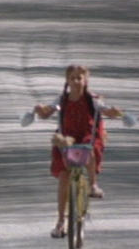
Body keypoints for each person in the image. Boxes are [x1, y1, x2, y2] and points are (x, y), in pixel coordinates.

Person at [32, 65, 125, 239]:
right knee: (64, 176)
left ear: (85, 80)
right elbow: (46, 113)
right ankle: (61, 221)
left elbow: (106, 111)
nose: (76, 81)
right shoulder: (61, 100)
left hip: (87, 137)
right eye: (72, 78)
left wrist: (114, 112)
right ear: (67, 81)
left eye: (79, 78)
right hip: (67, 140)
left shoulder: (93, 100)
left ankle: (93, 185)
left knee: (89, 149)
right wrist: (40, 110)